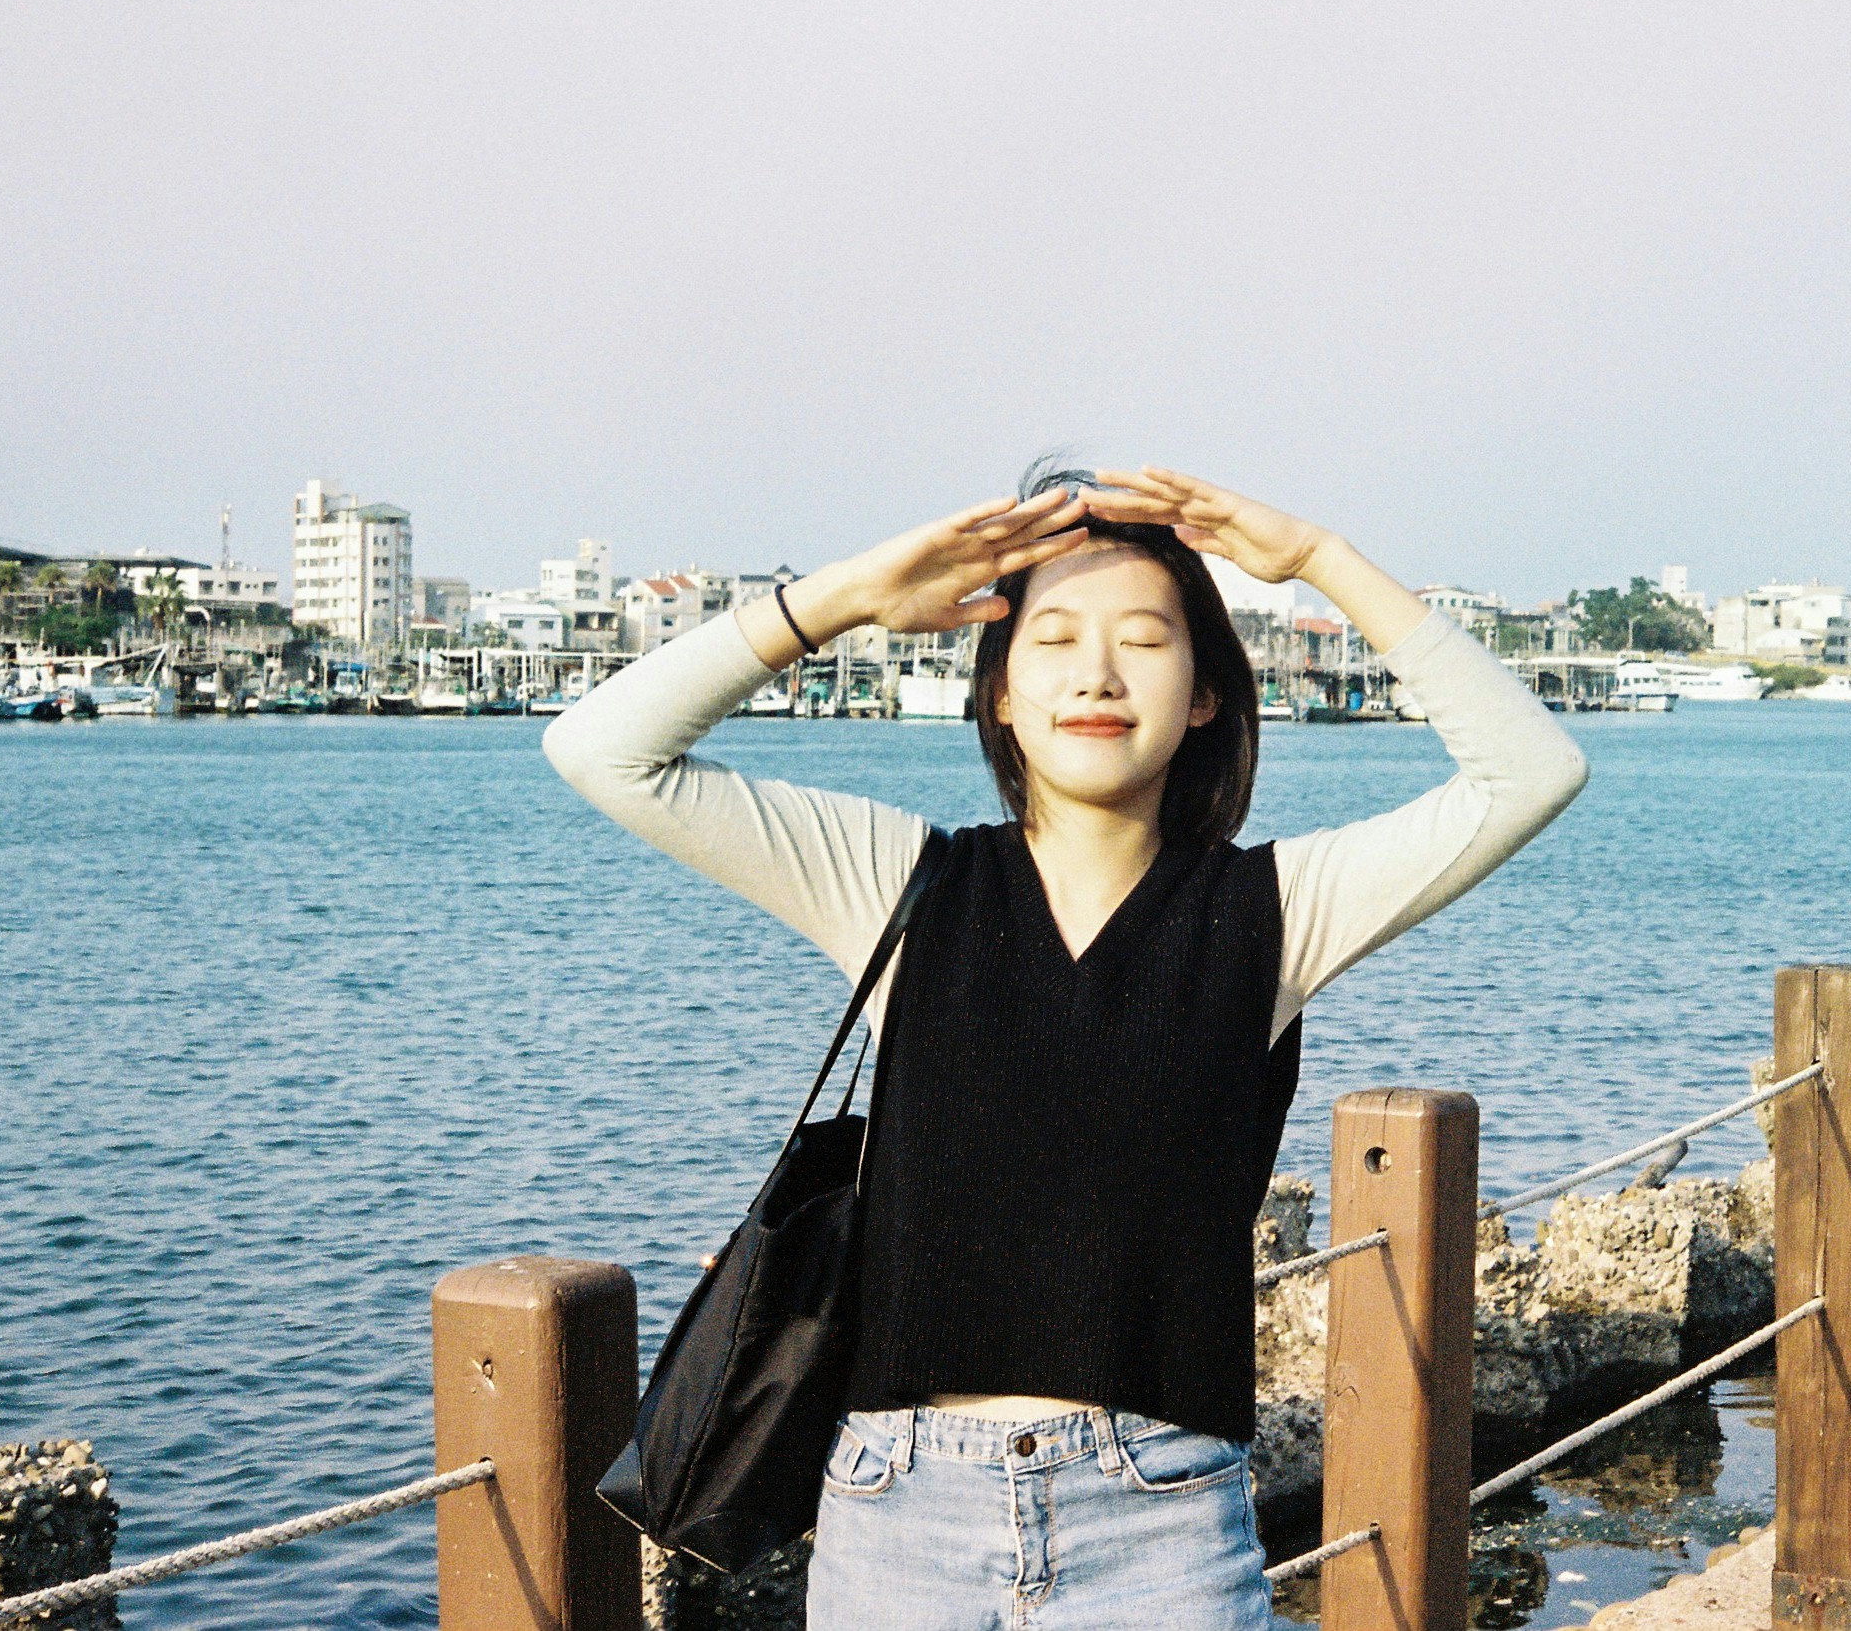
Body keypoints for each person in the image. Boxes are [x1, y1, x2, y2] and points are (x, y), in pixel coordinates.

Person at [544, 464, 1585, 1629]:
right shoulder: (902, 883)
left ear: (1204, 696)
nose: (1096, 673)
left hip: (1162, 1518)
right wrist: (844, 597)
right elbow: (605, 748)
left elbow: (1530, 770)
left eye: (1144, 639)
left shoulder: (1276, 911)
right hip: (900, 1514)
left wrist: (1317, 561)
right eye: (1053, 641)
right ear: (997, 693)